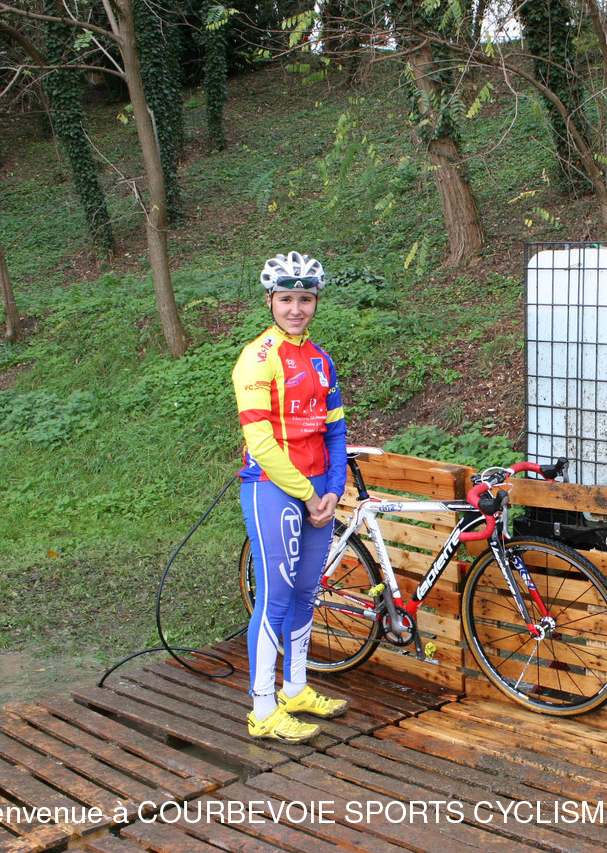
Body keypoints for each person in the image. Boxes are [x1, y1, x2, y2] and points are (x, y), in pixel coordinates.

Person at [232, 251, 350, 743]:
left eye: (305, 299)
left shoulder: (321, 359)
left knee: (306, 593)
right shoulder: (257, 358)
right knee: (275, 598)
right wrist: (307, 494)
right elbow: (260, 443)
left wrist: (333, 491)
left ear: (316, 301)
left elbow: (336, 432)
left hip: (318, 491)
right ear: (270, 301)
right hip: (273, 489)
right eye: (286, 299)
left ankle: (295, 689)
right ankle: (262, 708)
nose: (296, 309)